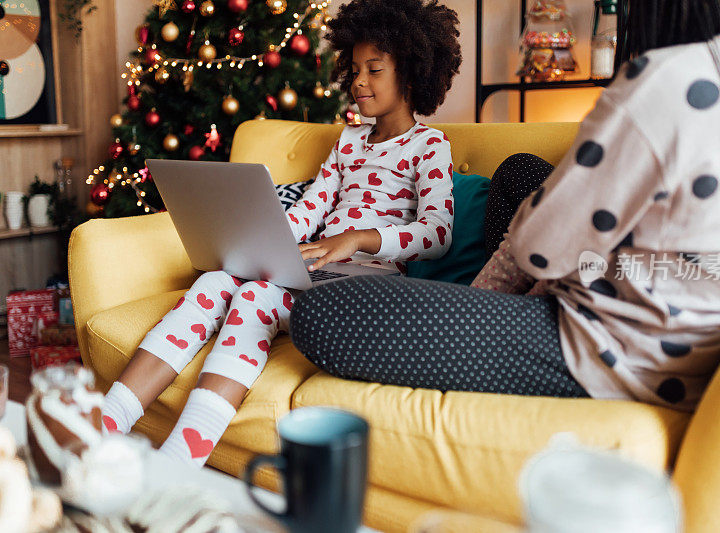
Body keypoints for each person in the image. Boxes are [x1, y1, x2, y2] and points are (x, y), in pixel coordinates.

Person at [290, 0, 720, 413]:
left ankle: (483, 300)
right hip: (693, 313)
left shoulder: (671, 78)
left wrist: (485, 294)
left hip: (608, 345)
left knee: (317, 313)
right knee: (519, 171)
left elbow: (536, 250)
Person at [101, 0, 462, 466]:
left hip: (367, 283)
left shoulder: (428, 146)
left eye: (374, 70)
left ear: (412, 73)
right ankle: (104, 423)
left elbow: (437, 234)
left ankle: (179, 462)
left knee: (255, 298)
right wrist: (262, 236)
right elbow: (312, 205)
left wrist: (358, 239)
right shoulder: (348, 142)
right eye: (353, 69)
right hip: (314, 268)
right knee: (213, 283)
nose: (358, 82)